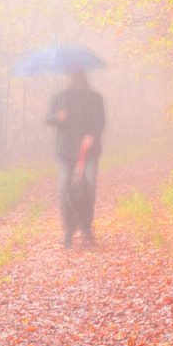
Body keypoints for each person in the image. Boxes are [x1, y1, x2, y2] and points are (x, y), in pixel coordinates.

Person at [46, 69, 106, 247]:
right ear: (71, 78)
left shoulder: (95, 98)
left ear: (85, 77)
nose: (77, 79)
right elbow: (48, 118)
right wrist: (58, 116)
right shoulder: (60, 97)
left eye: (80, 76)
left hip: (90, 152)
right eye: (74, 76)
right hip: (65, 152)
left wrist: (92, 135)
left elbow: (101, 121)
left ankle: (86, 228)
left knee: (89, 187)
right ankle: (68, 230)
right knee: (65, 189)